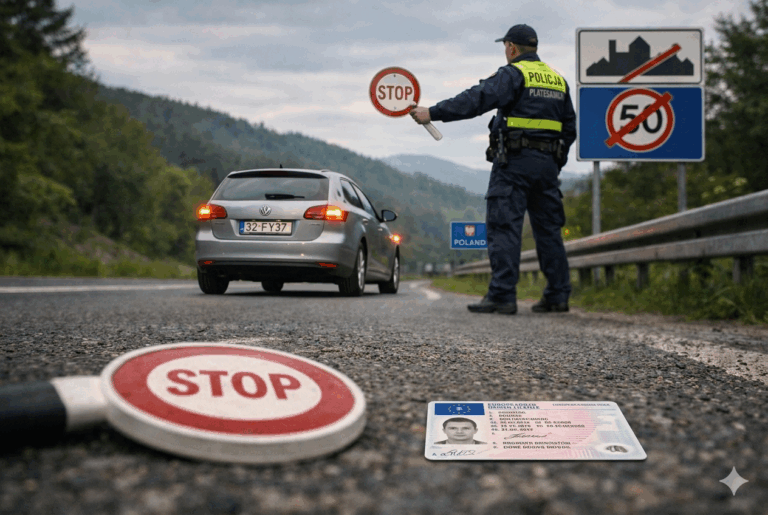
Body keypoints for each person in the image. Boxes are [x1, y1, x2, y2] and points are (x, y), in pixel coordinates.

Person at [411, 24, 576, 315]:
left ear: (512, 48)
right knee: (549, 230)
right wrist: (554, 163)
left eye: (505, 47)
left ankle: (502, 295)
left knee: (504, 227)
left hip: (514, 163)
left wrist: (432, 112)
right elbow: (569, 128)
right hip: (547, 166)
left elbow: (476, 99)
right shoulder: (557, 80)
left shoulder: (513, 74)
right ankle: (557, 295)